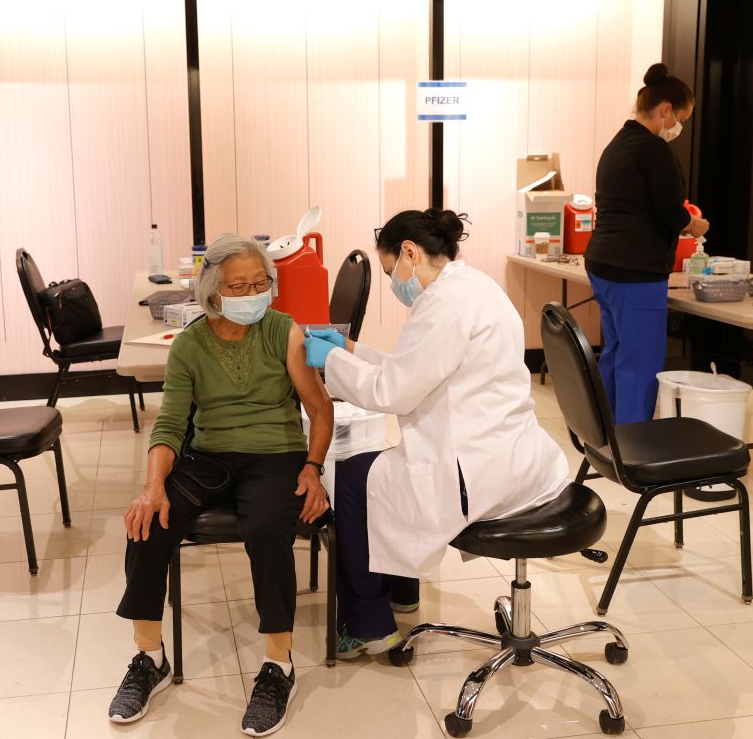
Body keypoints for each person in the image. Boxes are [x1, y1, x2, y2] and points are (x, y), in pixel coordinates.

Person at [302, 209, 571, 658]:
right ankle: (402, 593)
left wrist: (328, 362)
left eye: (391, 271)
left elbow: (394, 391)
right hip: (513, 455)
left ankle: (368, 623)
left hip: (476, 470)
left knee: (351, 477)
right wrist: (349, 348)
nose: (394, 283)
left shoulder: (443, 306)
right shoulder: (473, 286)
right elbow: (415, 367)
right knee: (382, 469)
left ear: (409, 252)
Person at [108, 234, 334, 737]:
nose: (254, 292)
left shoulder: (283, 332)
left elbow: (320, 408)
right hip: (209, 457)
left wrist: (312, 467)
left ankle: (279, 666)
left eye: (261, 283)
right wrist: (152, 487)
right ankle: (150, 658)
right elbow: (169, 425)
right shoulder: (189, 345)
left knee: (268, 530)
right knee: (148, 524)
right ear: (213, 292)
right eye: (240, 285)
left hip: (276, 456)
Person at [584, 62, 709, 425]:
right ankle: (634, 444)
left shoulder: (617, 145)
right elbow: (671, 212)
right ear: (665, 110)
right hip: (634, 272)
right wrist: (695, 224)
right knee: (640, 359)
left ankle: (605, 433)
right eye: (681, 118)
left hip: (604, 266)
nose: (679, 128)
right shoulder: (653, 150)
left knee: (616, 351)